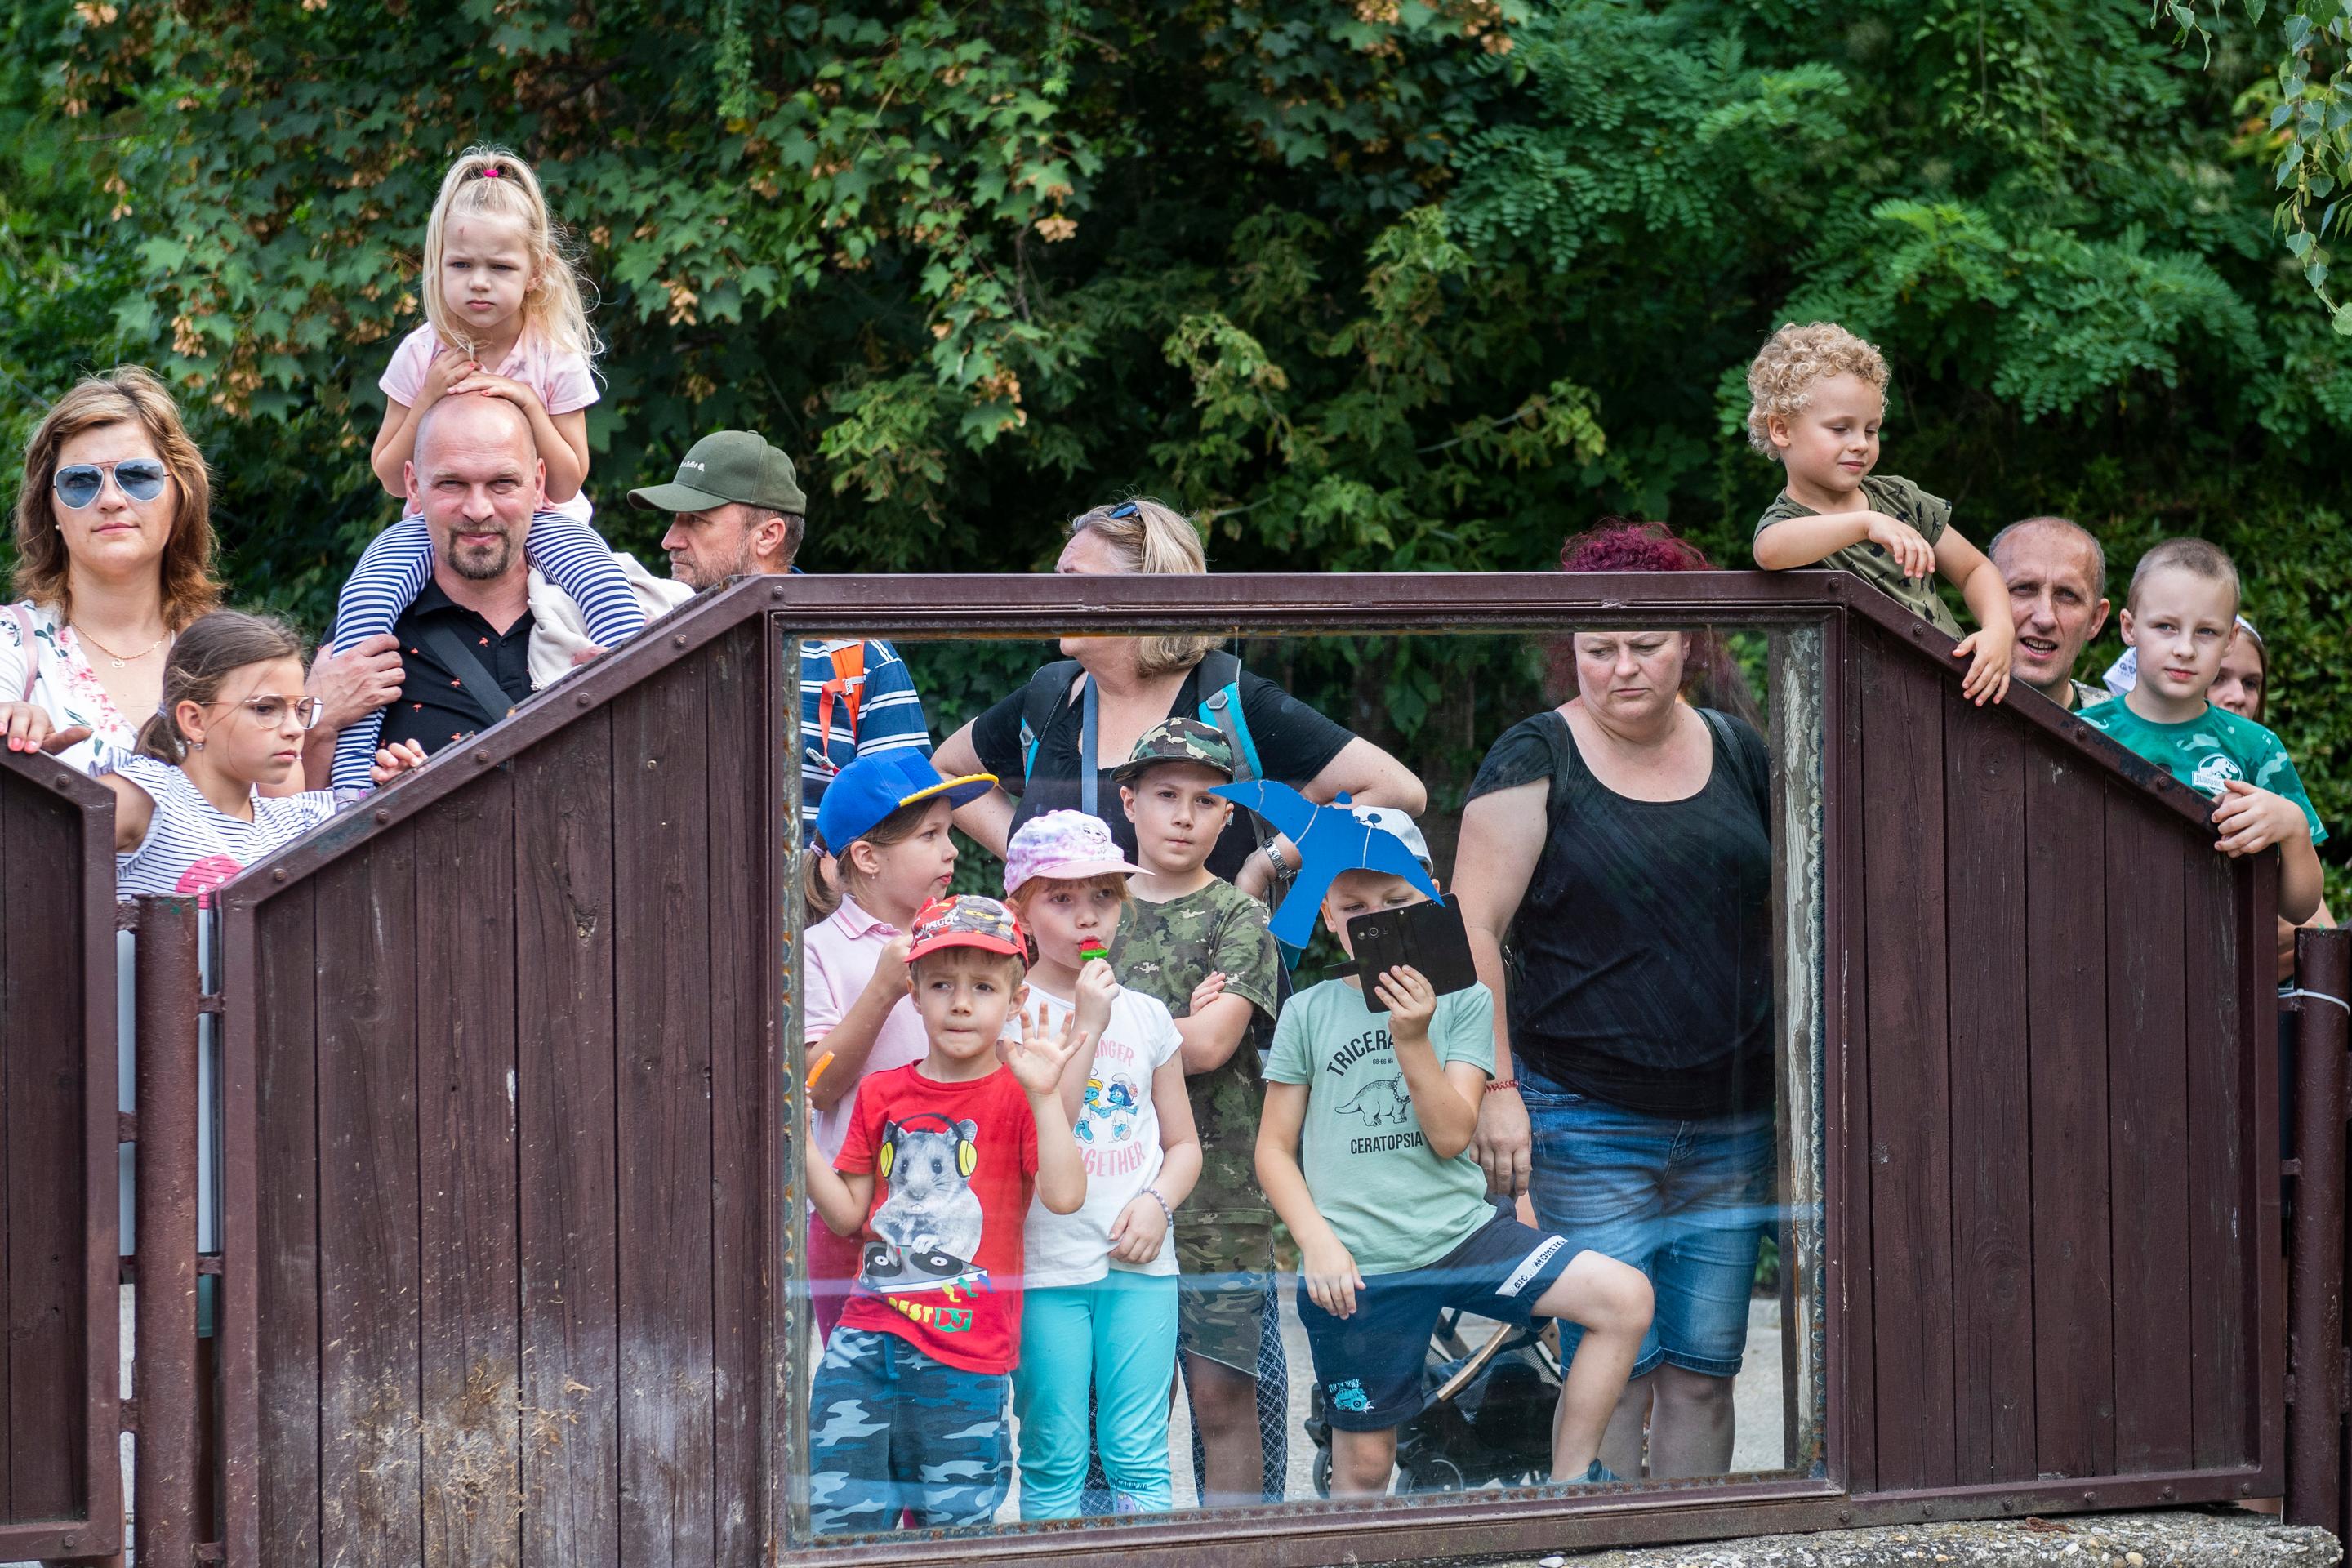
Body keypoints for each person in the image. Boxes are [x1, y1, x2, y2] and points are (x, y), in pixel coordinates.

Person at [1454, 519, 1776, 1481]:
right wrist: (1497, 1088)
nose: (1623, 668)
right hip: (1583, 1116)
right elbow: (1470, 930)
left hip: (1730, 1119)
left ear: (1689, 643)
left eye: (1646, 644)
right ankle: (1609, 1538)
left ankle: (1693, 1545)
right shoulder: (1535, 754)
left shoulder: (1739, 749)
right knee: (1615, 1368)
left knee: (1705, 1373)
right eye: (1600, 648)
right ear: (1572, 649)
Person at [1255, 806, 1653, 1499]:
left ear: (1432, 896)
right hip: (1358, 1263)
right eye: (1355, 909)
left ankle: (1567, 1489)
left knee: (1623, 1298)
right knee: (1365, 1467)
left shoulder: (1466, 1000)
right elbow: (1273, 1150)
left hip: (1464, 1237)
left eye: (1397, 901)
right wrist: (1316, 1242)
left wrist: (1412, 1038)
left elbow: (1450, 1135)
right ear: (1327, 916)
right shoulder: (1309, 1011)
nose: (1378, 920)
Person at [327, 145, 646, 788]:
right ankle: (352, 777)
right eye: (461, 265)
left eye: (499, 267)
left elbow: (567, 479)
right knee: (364, 599)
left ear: (535, 272)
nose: (479, 282)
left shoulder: (553, 355)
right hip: (431, 522)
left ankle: (642, 697)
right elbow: (389, 472)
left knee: (607, 587)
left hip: (542, 519)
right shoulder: (420, 352)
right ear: (436, 266)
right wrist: (426, 399)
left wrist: (528, 403)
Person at [931, 498, 1424, 891]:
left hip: (1214, 981)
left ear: (1145, 593)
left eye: (1074, 582)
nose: (1051, 597)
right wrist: (1033, 855)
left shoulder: (1228, 701)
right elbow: (945, 772)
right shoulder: (1051, 697)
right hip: (1072, 980)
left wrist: (1266, 864)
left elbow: (1399, 791)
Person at [803, 894, 1090, 1533]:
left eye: (983, 987)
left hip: (966, 1358)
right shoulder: (880, 1091)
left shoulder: (1021, 1091)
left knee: (955, 1535)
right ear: (914, 994)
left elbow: (1066, 1195)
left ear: (1015, 1000)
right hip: (864, 1345)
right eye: (941, 985)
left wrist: (1046, 1097)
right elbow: (848, 1215)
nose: (961, 1003)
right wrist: (798, 1141)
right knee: (841, 1526)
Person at [0, 368, 400, 782]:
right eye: (80, 482)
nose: (111, 499)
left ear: (181, 496)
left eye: (137, 476)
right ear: (50, 508)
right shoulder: (11, 645)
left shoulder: (232, 654)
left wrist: (323, 731)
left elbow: (284, 812)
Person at [999, 811, 1201, 1518]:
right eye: (1061, 898)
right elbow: (1039, 1130)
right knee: (1054, 1456)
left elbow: (1184, 1145)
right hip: (1047, 1266)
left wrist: (1159, 1203)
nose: (1088, 915)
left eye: (1105, 896)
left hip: (1142, 1266)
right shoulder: (1009, 1013)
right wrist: (1087, 1023)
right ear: (1020, 910)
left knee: (1139, 1454)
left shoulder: (1148, 1015)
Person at [1107, 718, 1287, 1508]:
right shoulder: (1094, 907)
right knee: (1123, 1407)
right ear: (1129, 801)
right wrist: (1171, 1026)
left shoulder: (1239, 918)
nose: (1184, 815)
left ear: (1227, 816)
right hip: (1112, 1193)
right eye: (1165, 795)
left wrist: (1113, 1029)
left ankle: (1237, 1552)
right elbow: (1052, 1031)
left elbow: (1213, 1045)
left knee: (1222, 1401)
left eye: (1206, 801)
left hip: (1220, 1198)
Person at [626, 432, 933, 818]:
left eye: (696, 520)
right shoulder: (645, 631)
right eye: (674, 520)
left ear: (768, 536)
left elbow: (909, 821)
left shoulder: (859, 656)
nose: (670, 540)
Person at [802, 751, 996, 1341]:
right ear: (867, 857)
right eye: (930, 835)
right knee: (859, 1376)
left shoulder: (962, 943)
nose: (952, 850)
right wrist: (884, 989)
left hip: (953, 1208)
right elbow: (815, 1085)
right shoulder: (818, 950)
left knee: (949, 1375)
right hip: (853, 1214)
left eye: (949, 832)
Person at [1746, 322, 2015, 706]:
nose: (1860, 444)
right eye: (1840, 429)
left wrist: (1999, 629)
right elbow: (1770, 551)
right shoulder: (1789, 520)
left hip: (1950, 695)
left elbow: (1974, 569)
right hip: (1860, 713)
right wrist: (1867, 524)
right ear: (1781, 429)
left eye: (1871, 430)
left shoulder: (1900, 499)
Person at [71, 611, 421, 901]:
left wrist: (407, 788)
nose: (294, 729)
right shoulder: (147, 797)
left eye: (299, 709)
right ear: (195, 721)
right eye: (266, 709)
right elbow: (43, 854)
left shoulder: (301, 821)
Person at [2081, 539, 2325, 925]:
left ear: (2230, 640)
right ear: (2129, 628)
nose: (2185, 649)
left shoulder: (2258, 748)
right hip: (2101, 944)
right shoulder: (2083, 733)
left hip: (2217, 956)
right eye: (2166, 626)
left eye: (2206, 632)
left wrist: (2294, 829)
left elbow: (2300, 909)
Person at [320, 394, 547, 772]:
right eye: (452, 483)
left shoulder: (591, 620)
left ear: (537, 485)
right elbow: (295, 799)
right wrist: (321, 723)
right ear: (413, 487)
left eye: (503, 482)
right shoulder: (364, 634)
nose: (478, 510)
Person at [1989, 515, 2112, 711]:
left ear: (2095, 620)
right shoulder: (1937, 701)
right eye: (2023, 588)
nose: (2045, 619)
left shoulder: (2118, 728)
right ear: (1983, 599)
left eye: (2067, 595)